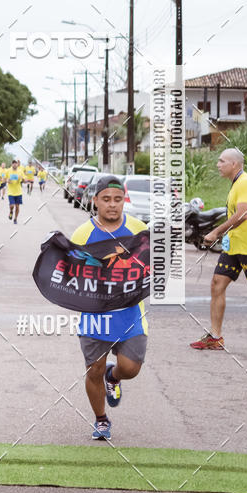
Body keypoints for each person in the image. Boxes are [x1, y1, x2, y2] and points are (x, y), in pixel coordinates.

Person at [71, 176, 148, 441]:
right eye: (106, 200)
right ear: (95, 201)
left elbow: (151, 261)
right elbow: (71, 272)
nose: (112, 205)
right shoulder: (83, 233)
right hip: (95, 316)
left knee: (131, 368)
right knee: (93, 370)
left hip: (130, 313)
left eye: (117, 199)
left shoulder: (138, 228)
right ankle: (101, 420)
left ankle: (113, 377)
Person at [190, 147, 247, 350]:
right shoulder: (237, 183)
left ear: (234, 164)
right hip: (235, 246)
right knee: (217, 284)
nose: (217, 165)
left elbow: (243, 214)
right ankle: (215, 336)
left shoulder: (245, 182)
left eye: (222, 161)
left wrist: (216, 232)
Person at [6, 159, 24, 224]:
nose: (14, 164)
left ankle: (15, 218)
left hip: (18, 192)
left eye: (15, 163)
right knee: (12, 206)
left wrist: (23, 179)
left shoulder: (20, 171)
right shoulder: (8, 171)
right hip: (11, 192)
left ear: (17, 164)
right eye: (13, 163)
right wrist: (7, 180)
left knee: (17, 206)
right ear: (11, 164)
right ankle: (11, 211)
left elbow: (23, 180)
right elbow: (4, 179)